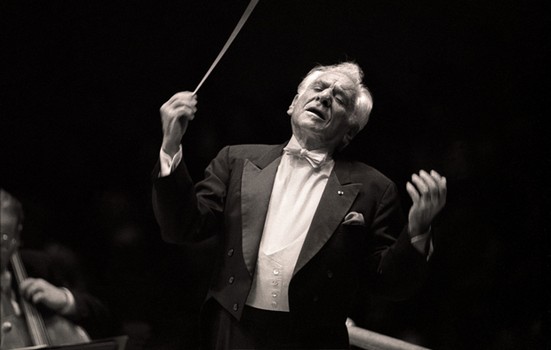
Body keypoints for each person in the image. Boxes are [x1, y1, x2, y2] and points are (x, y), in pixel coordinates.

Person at [152, 61, 447, 349]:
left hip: (312, 339)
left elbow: (390, 284)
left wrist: (417, 229)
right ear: (294, 103)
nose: (325, 96)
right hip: (233, 331)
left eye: (339, 97)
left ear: (349, 131)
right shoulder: (235, 160)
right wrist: (170, 146)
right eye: (318, 87)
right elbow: (183, 228)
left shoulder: (375, 188)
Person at [0, 189, 114, 349]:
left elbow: (104, 318)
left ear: (17, 237)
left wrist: (65, 300)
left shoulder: (35, 266)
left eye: (2, 238)